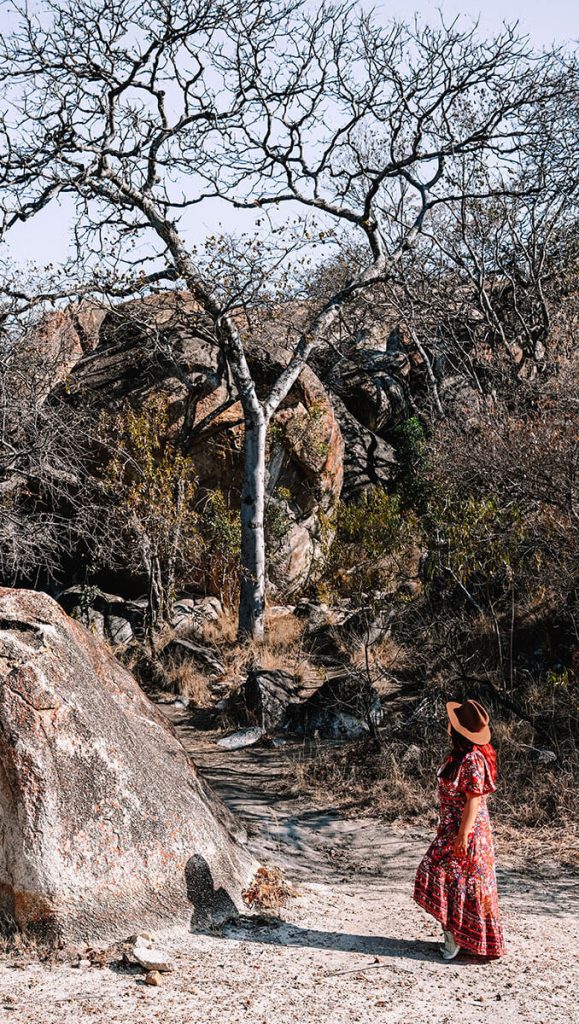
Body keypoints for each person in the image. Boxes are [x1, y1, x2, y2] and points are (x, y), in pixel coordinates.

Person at [413, 699, 505, 960]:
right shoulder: (458, 756)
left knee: (446, 875)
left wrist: (463, 836)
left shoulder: (473, 759)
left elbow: (474, 799)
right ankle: (456, 934)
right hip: (452, 829)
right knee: (451, 880)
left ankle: (455, 937)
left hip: (468, 832)